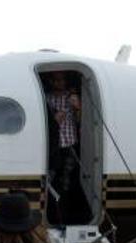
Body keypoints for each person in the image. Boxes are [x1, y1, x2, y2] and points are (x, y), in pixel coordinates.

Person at [44, 71, 89, 225]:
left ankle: (65, 215)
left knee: (67, 183)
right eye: (55, 80)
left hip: (70, 146)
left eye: (61, 80)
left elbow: (82, 121)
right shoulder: (46, 98)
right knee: (51, 181)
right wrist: (53, 120)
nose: (58, 83)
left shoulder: (72, 98)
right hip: (53, 146)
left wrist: (78, 108)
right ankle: (54, 214)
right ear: (51, 81)